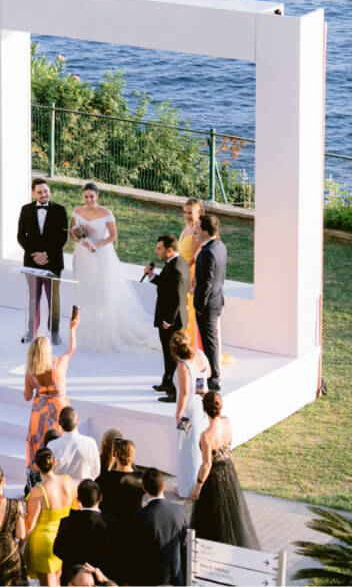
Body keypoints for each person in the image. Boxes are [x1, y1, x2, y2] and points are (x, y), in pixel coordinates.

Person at [68, 183, 156, 352]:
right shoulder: (77, 211)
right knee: (83, 290)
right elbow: (72, 232)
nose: (88, 200)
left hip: (99, 255)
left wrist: (95, 245)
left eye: (91, 196)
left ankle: (104, 332)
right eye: (86, 197)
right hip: (81, 256)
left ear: (97, 196)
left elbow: (114, 236)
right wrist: (79, 238)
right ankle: (84, 329)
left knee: (101, 290)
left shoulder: (106, 213)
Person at [187, 391, 261, 548]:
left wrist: (198, 486)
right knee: (230, 512)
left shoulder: (206, 436)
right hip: (228, 470)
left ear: (203, 410)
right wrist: (206, 396)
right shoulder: (227, 422)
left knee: (212, 516)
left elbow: (207, 464)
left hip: (214, 476)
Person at [24, 307, 79, 465]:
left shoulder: (30, 372)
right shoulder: (59, 365)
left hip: (39, 410)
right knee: (61, 440)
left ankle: (36, 470)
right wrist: (72, 329)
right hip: (59, 408)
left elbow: (27, 397)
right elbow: (72, 349)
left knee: (37, 441)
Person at [16, 178, 68, 344]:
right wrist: (35, 255)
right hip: (32, 262)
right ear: (33, 193)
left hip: (53, 263)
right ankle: (31, 330)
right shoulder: (25, 210)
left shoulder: (60, 210)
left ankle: (55, 332)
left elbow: (62, 237)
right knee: (33, 298)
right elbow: (21, 236)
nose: (44, 194)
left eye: (46, 191)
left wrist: (46, 255)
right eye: (39, 192)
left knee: (54, 299)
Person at [143, 233, 190, 397]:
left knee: (172, 355)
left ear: (169, 250)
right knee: (168, 353)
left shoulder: (176, 268)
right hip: (172, 318)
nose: (157, 251)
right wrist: (151, 276)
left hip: (172, 321)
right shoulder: (177, 262)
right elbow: (166, 284)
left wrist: (168, 321)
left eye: (159, 249)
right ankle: (167, 382)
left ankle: (173, 391)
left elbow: (176, 297)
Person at [22, 447, 74, 587]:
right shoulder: (68, 481)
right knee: (58, 581)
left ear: (36, 466)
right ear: (54, 462)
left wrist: (20, 543)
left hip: (43, 543)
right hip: (63, 538)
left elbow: (30, 523)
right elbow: (75, 507)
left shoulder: (38, 491)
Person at [132, 468, 189, 587]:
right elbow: (184, 545)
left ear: (144, 489)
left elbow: (136, 552)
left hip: (149, 579)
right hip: (174, 578)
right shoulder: (180, 511)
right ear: (164, 486)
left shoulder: (139, 517)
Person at [171, 334, 211, 497]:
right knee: (198, 446)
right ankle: (196, 484)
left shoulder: (183, 366)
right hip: (201, 406)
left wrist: (178, 414)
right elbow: (207, 374)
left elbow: (184, 393)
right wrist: (199, 388)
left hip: (188, 411)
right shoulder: (200, 355)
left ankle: (186, 488)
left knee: (186, 448)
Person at [192, 213, 228, 391]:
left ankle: (214, 378)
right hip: (216, 299)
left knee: (209, 342)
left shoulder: (207, 253)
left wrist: (199, 306)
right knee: (210, 340)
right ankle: (210, 375)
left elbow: (206, 283)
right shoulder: (220, 246)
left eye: (197, 229)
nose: (195, 233)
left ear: (205, 232)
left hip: (207, 305)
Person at [52, 478, 108, 585]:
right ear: (100, 498)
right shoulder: (109, 524)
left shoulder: (67, 521)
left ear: (78, 499)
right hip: (99, 577)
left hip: (71, 577)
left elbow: (57, 550)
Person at [96, 439, 143, 544]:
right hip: (132, 528)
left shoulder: (105, 478)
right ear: (133, 457)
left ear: (116, 455)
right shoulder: (141, 479)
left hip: (110, 528)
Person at [176, 199, 204, 350]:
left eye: (190, 213)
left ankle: (191, 346)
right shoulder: (187, 227)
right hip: (182, 272)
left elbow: (197, 257)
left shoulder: (197, 231)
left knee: (190, 310)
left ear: (199, 213)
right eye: (185, 212)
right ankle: (183, 342)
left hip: (191, 274)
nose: (187, 215)